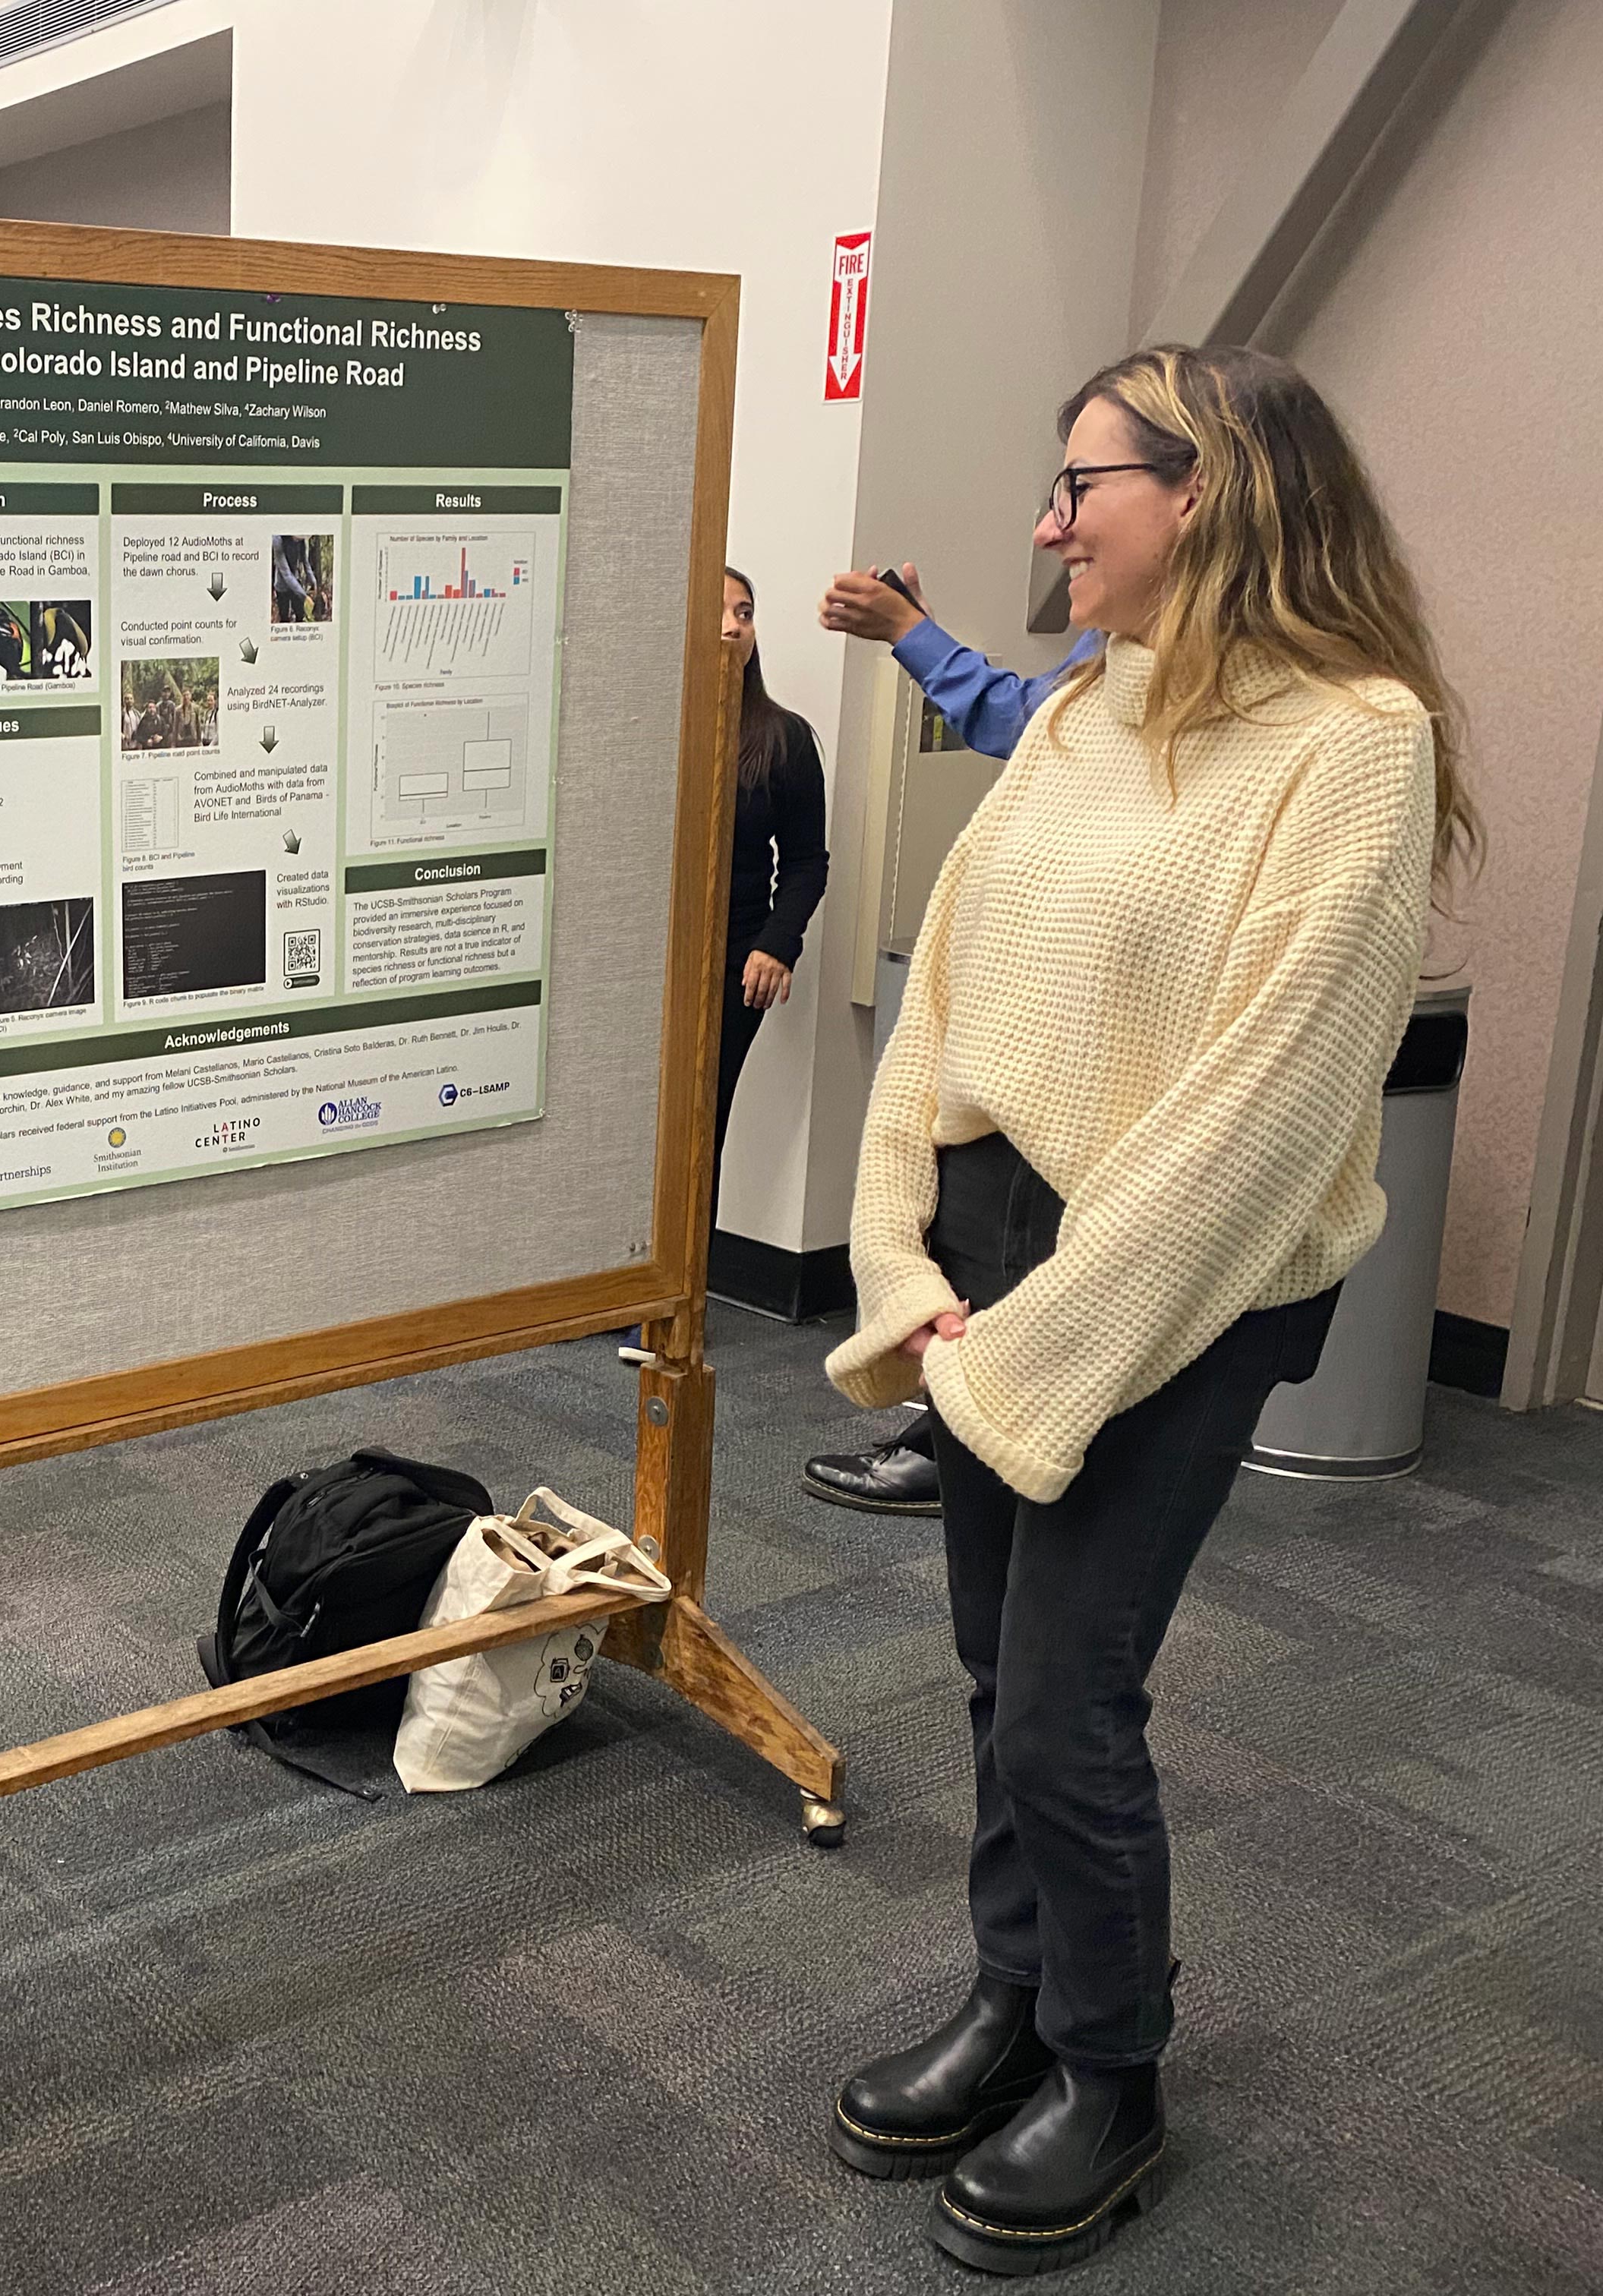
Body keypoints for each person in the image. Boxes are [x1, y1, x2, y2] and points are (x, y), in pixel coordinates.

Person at [819, 345, 1469, 2276]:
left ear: (1214, 491)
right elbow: (945, 989)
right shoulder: (1084, 708)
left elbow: (1263, 1115)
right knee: (993, 1678)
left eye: (1079, 482)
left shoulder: (1357, 739)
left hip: (1185, 1279)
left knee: (1064, 1707)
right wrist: (900, 1260)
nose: (1046, 522)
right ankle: (1015, 2000)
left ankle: (1113, 2073)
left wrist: (1022, 1343)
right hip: (990, 1252)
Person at [803, 572, 1102, 1518]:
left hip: (1067, 1107)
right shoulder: (1106, 674)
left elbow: (1020, 720)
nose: (1052, 533)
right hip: (1007, 1088)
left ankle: (964, 1438)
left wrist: (915, 633)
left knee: (1054, 1601)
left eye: (1079, 490)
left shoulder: (1329, 735)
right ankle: (950, 1432)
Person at [712, 569, 828, 1168]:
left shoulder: (783, 738)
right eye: (721, 610)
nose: (733, 626)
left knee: (701, 1134)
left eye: (746, 612)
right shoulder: (644, 729)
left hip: (736, 964)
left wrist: (778, 944)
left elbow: (808, 860)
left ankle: (694, 1264)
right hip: (644, 969)